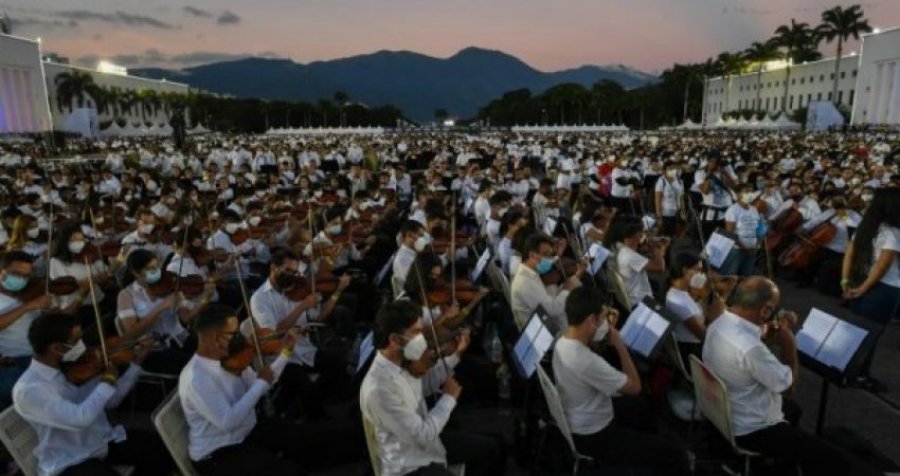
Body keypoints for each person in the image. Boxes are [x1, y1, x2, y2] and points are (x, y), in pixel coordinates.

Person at [702, 276, 880, 476]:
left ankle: (777, 463)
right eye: (773, 309)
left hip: (724, 412)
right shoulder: (751, 348)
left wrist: (766, 340)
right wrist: (788, 342)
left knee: (793, 411)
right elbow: (788, 387)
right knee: (835, 459)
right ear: (765, 310)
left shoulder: (719, 322)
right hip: (750, 428)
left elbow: (748, 362)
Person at [179, 304, 361, 476]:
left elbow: (266, 384)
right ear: (214, 338)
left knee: (307, 438)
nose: (241, 339)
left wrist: (285, 353)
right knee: (288, 472)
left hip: (248, 429)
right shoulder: (197, 378)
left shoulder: (231, 358)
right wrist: (260, 383)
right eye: (234, 334)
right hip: (220, 452)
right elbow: (228, 421)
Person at [13, 312, 173, 476]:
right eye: (76, 342)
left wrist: (135, 364)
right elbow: (80, 419)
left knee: (162, 450)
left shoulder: (75, 367)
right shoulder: (29, 390)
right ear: (56, 348)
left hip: (102, 442)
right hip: (71, 460)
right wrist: (107, 380)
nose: (83, 346)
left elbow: (111, 401)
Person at [553, 286, 691, 475]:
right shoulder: (585, 361)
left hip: (581, 418)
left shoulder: (563, 340)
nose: (605, 322)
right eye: (602, 318)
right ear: (591, 320)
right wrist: (620, 345)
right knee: (674, 454)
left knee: (640, 409)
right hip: (596, 436)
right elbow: (635, 387)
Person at [359, 300, 500, 476]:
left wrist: (457, 354)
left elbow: (424, 385)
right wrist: (448, 399)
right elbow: (422, 436)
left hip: (430, 445)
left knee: (493, 446)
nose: (422, 339)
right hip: (409, 465)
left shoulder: (402, 361)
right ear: (394, 340)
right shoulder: (379, 389)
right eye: (416, 332)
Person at [841, 188, 900, 388]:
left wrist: (845, 281)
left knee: (856, 331)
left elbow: (849, 254)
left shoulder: (867, 226)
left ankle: (847, 368)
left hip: (860, 281)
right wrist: (865, 289)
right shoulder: (892, 232)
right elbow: (882, 266)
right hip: (883, 289)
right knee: (870, 335)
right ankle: (860, 375)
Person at [117, 248, 193, 374]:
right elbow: (132, 334)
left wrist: (204, 298)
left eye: (157, 266)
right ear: (136, 273)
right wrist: (160, 308)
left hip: (179, 337)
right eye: (150, 269)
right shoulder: (126, 295)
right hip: (153, 349)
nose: (157, 271)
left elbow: (186, 318)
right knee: (193, 367)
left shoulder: (167, 284)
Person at [0, 251, 51, 408]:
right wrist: (28, 306)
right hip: (17, 360)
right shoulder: (27, 301)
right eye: (16, 273)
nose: (21, 279)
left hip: (40, 353)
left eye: (26, 276)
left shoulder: (29, 291)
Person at [510, 233, 584, 331]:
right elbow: (552, 310)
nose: (549, 259)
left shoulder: (530, 272)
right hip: (541, 332)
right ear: (532, 255)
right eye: (546, 255)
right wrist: (567, 290)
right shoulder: (525, 283)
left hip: (544, 321)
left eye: (550, 255)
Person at [665, 252, 725, 364]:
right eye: (698, 270)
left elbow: (702, 313)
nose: (701, 275)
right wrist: (719, 312)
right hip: (693, 352)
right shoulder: (677, 302)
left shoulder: (684, 292)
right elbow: (703, 336)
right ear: (685, 270)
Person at [605, 215, 667, 308]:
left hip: (631, 296)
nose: (642, 234)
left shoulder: (618, 247)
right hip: (641, 301)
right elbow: (660, 266)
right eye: (640, 232)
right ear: (634, 235)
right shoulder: (629, 256)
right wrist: (657, 249)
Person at [722, 183, 762, 277]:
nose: (750, 193)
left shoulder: (754, 209)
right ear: (739, 194)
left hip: (752, 250)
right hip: (737, 250)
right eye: (746, 191)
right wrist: (744, 249)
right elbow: (730, 234)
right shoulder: (733, 210)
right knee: (731, 276)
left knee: (745, 277)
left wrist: (757, 245)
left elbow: (758, 229)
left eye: (751, 191)